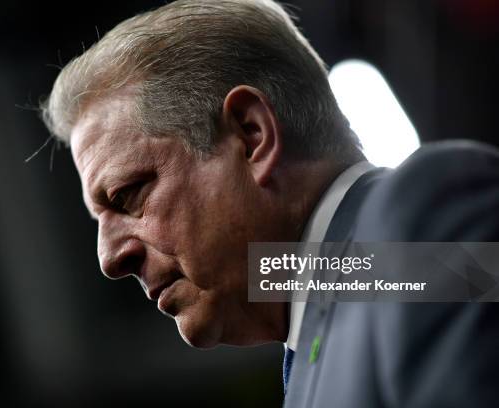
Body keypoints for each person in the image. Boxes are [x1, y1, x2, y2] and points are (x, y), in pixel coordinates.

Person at [40, 0, 499, 406]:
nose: (109, 258)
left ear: (252, 135)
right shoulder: (320, 320)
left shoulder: (412, 225)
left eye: (129, 195)